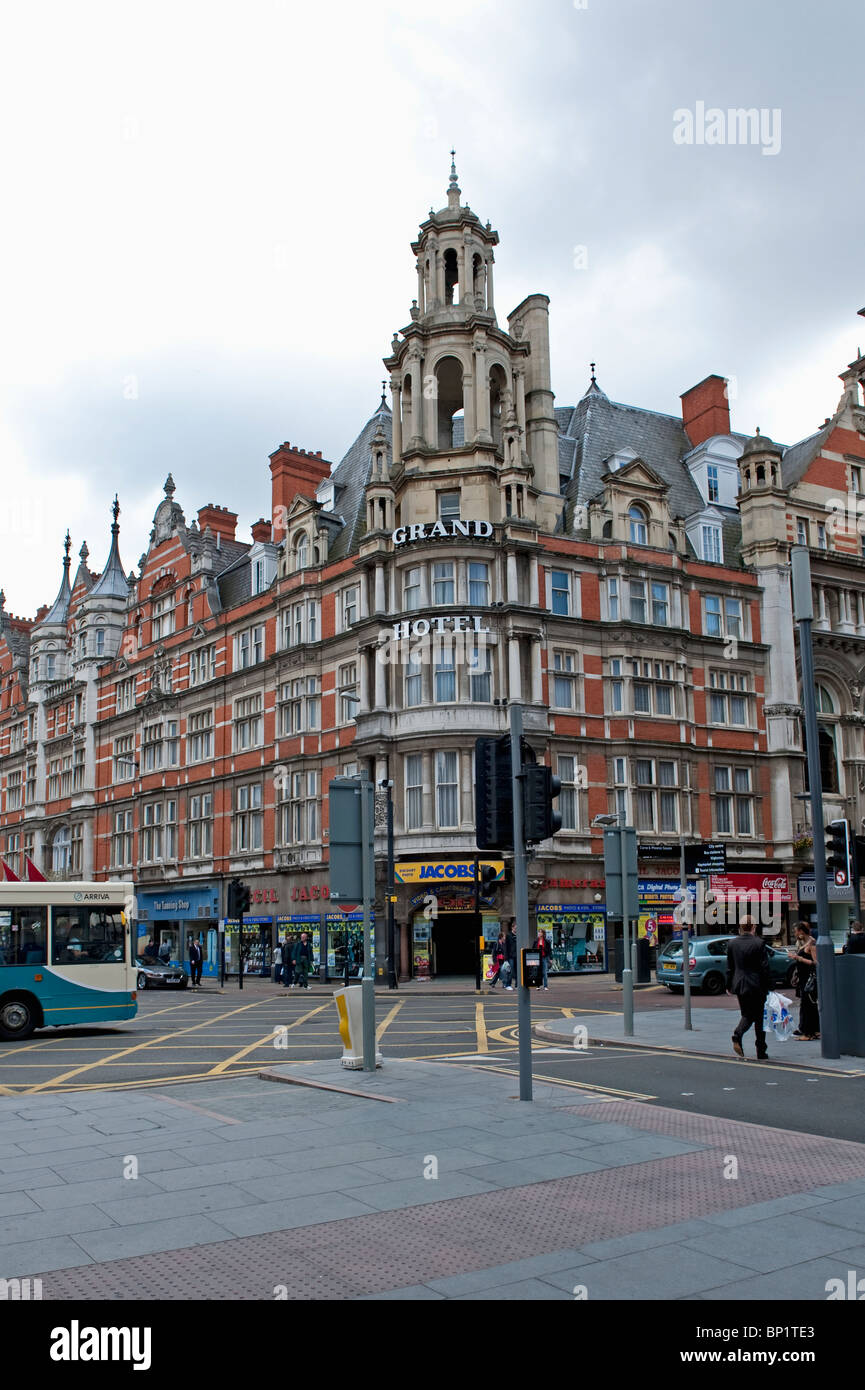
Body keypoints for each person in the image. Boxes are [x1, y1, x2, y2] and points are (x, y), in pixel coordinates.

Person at [726, 915, 771, 1059]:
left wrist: (729, 985)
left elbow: (730, 967)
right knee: (758, 1018)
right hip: (756, 985)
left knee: (747, 1014)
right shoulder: (759, 943)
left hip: (739, 984)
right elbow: (765, 968)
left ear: (740, 927)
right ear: (754, 927)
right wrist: (770, 985)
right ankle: (759, 1049)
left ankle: (739, 1036)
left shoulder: (732, 943)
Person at [787, 921, 819, 1040]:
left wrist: (797, 957)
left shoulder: (812, 943)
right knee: (808, 1004)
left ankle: (808, 1033)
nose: (794, 933)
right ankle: (814, 1030)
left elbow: (815, 962)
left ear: (801, 931)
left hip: (808, 978)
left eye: (795, 931)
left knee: (808, 1005)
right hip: (803, 977)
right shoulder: (805, 942)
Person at [503, 918, 517, 990]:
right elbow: (505, 947)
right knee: (510, 971)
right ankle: (508, 984)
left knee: (518, 971)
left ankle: (517, 985)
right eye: (515, 928)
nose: (516, 929)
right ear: (512, 927)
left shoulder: (519, 935)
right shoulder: (508, 935)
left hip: (518, 956)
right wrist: (506, 958)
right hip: (511, 956)